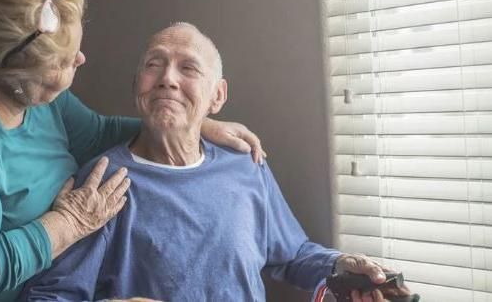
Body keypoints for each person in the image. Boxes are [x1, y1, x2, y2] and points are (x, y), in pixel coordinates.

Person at [0, 0, 265, 302]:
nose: (81, 59)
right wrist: (68, 224)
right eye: (64, 60)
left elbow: (97, 133)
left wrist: (192, 124)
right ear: (15, 74)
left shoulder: (29, 90)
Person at [25, 23, 412, 302]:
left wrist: (342, 265)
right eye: (153, 65)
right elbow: (48, 296)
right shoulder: (102, 183)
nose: (167, 79)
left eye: (188, 68)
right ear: (136, 86)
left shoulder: (247, 167)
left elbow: (292, 253)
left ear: (217, 97)